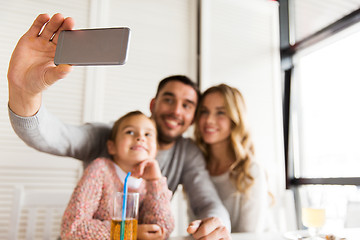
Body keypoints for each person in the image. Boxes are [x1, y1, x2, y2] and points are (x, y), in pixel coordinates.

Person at [7, 13, 231, 239]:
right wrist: (25, 92)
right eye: (169, 100)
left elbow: (206, 203)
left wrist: (218, 224)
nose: (176, 111)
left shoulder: (186, 154)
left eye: (188, 105)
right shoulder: (109, 135)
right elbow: (51, 136)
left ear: (193, 116)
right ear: (153, 104)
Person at [61, 111, 174, 240]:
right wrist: (130, 232)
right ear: (111, 146)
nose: (140, 137)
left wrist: (156, 181)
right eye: (130, 132)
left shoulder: (151, 183)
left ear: (156, 150)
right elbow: (72, 228)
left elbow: (162, 229)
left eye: (148, 134)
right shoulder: (100, 170)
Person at [194, 84, 269, 232]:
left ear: (235, 119)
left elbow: (249, 235)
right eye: (204, 111)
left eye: (220, 112)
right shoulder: (196, 168)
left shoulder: (250, 171)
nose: (209, 120)